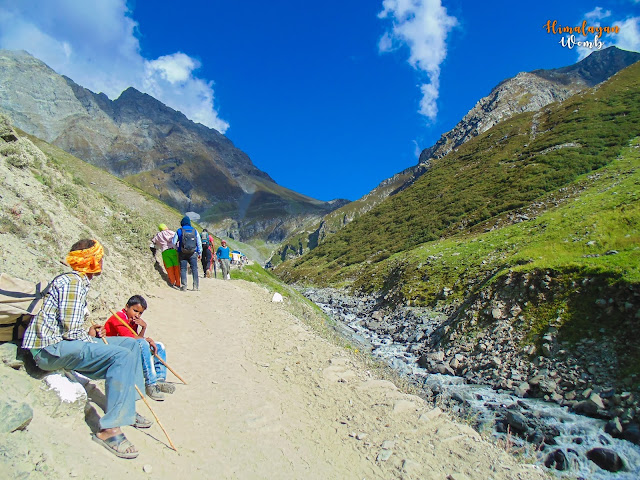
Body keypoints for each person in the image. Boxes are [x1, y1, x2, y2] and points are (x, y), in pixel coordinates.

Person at [22, 239, 149, 459]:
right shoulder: (74, 282)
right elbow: (71, 332)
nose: (100, 262)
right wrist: (91, 339)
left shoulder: (76, 281)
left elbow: (70, 326)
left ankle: (124, 407)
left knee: (134, 344)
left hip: (62, 344)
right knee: (120, 356)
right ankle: (109, 429)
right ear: (90, 261)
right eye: (98, 257)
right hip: (49, 350)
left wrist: (91, 334)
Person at [104, 295, 175, 401]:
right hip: (112, 346)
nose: (137, 315)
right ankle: (150, 384)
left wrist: (144, 327)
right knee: (144, 343)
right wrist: (145, 339)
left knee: (159, 346)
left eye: (140, 313)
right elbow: (131, 338)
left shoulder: (133, 320)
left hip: (127, 343)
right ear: (127, 307)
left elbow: (137, 337)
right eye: (135, 310)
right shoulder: (119, 317)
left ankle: (159, 379)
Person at [173, 216, 202, 291]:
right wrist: (200, 253)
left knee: (183, 269)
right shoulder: (195, 231)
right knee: (194, 269)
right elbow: (199, 243)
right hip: (193, 252)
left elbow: (173, 242)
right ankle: (195, 286)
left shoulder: (179, 230)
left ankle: (184, 286)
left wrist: (177, 249)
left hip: (182, 252)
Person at [150, 223, 180, 288]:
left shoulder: (159, 235)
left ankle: (172, 281)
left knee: (169, 267)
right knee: (176, 267)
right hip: (173, 250)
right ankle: (178, 282)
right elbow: (177, 236)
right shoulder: (171, 232)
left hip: (165, 252)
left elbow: (154, 241)